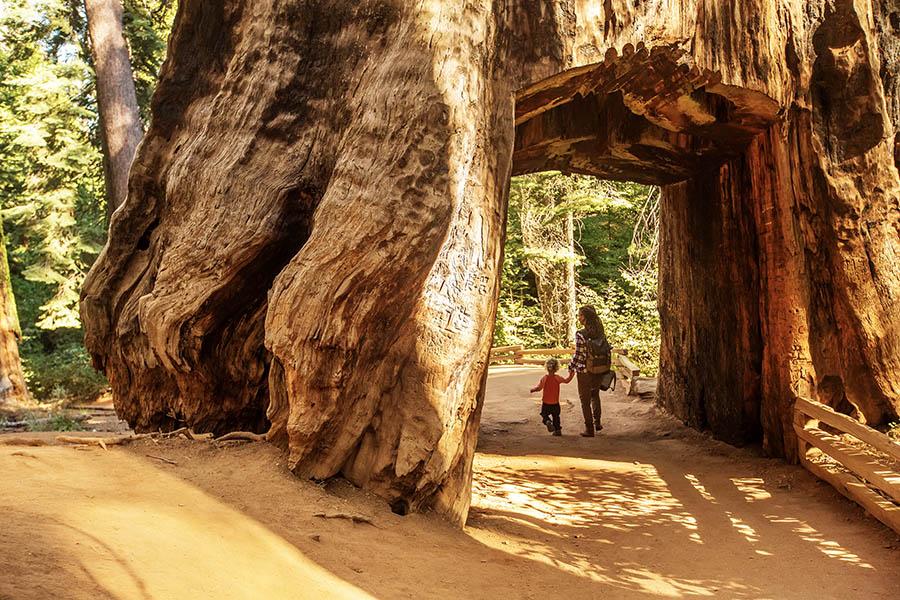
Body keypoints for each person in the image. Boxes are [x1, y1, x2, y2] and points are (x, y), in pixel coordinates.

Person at [569, 305, 610, 437]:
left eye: (581, 315)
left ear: (585, 318)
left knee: (585, 400)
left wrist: (571, 366)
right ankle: (597, 423)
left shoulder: (581, 334)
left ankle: (589, 429)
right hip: (599, 368)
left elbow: (579, 354)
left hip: (584, 370)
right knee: (595, 395)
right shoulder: (600, 331)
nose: (579, 318)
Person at [530, 358, 574, 436]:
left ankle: (547, 421)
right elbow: (567, 381)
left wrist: (533, 389)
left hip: (546, 402)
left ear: (546, 367)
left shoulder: (544, 378)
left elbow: (539, 388)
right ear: (556, 368)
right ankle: (557, 430)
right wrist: (571, 374)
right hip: (555, 403)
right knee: (556, 417)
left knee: (544, 414)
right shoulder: (557, 378)